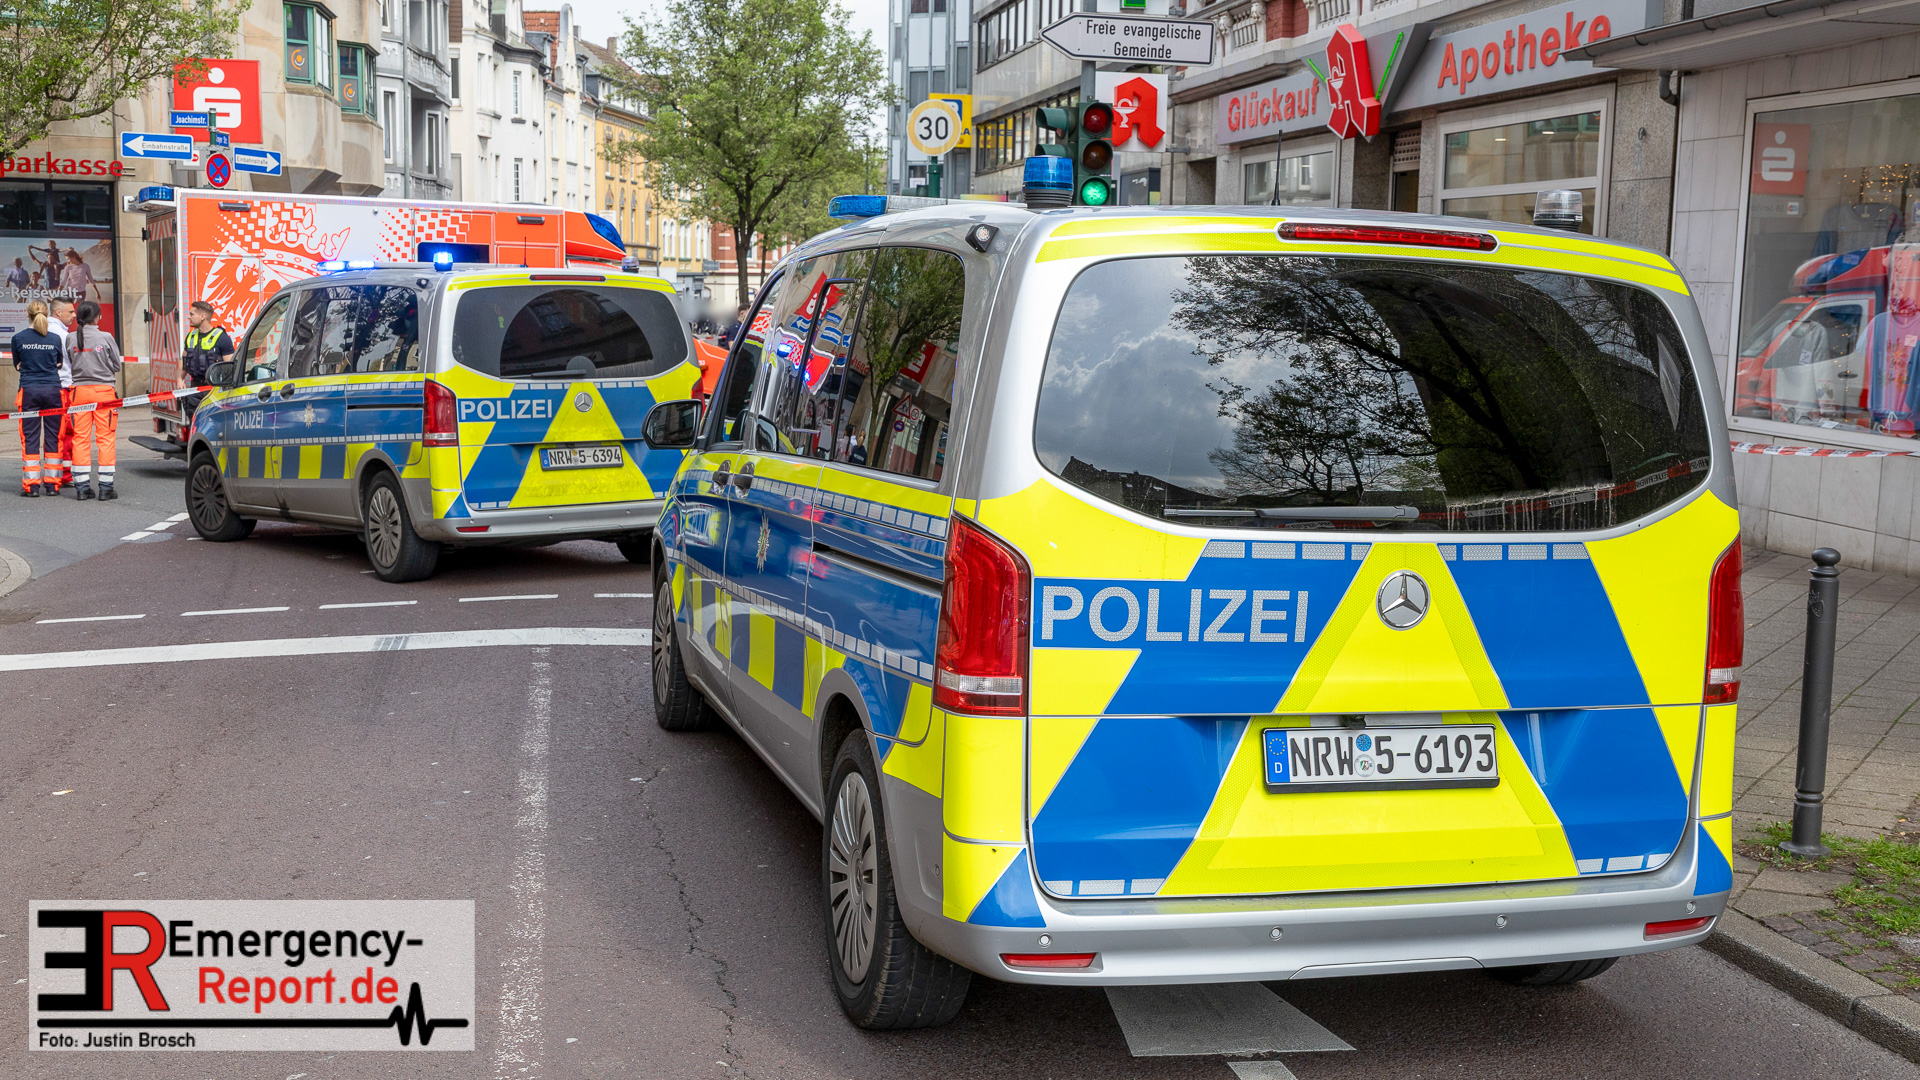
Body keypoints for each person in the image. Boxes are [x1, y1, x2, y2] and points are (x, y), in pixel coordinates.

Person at [65, 300, 123, 500]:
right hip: (104, 392)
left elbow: (71, 361)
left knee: (80, 438)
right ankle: (106, 488)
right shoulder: (106, 337)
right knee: (105, 438)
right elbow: (117, 365)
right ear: (98, 317)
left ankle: (81, 487)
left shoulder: (70, 338)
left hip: (78, 393)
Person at [10, 300, 63, 496]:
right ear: (47, 315)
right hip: (53, 391)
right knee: (54, 436)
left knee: (30, 437)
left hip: (29, 391)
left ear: (27, 314)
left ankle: (32, 486)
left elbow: (18, 365)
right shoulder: (55, 338)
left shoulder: (18, 338)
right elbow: (59, 364)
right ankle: (52, 485)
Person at [181, 300, 235, 415]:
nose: (188, 317)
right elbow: (184, 360)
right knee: (194, 422)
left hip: (214, 390)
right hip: (195, 389)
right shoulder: (191, 336)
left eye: (192, 314)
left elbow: (230, 367)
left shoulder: (222, 338)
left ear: (203, 316)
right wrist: (179, 379)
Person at [46, 297, 76, 492]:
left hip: (43, 388)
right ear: (58, 312)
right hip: (64, 389)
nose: (74, 315)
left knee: (51, 434)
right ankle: (64, 474)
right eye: (70, 311)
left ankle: (52, 474)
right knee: (66, 433)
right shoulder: (64, 336)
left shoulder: (41, 331)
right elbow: (73, 364)